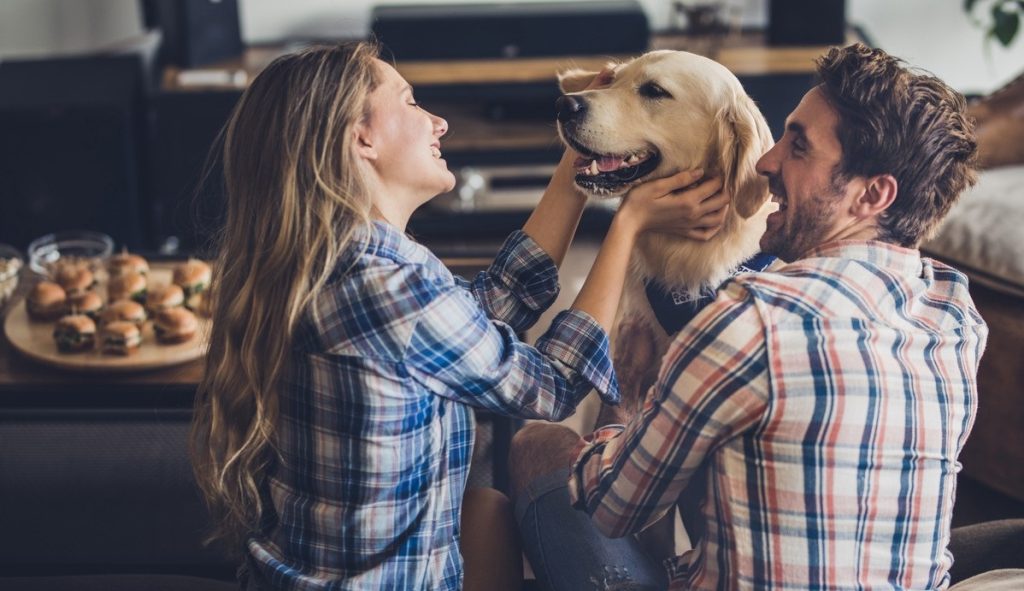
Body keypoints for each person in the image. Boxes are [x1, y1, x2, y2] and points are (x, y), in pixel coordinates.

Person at [189, 42, 732, 591]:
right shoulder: (384, 288)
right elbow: (551, 387)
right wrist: (628, 223)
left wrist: (584, 160)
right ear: (362, 138)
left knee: (485, 511)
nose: (439, 122)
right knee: (502, 496)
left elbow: (492, 302)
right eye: (411, 103)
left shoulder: (347, 258)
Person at [509, 42, 990, 590]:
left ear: (872, 195)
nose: (765, 161)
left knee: (536, 444)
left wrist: (622, 403)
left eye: (799, 147)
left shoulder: (750, 319)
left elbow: (614, 507)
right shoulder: (957, 315)